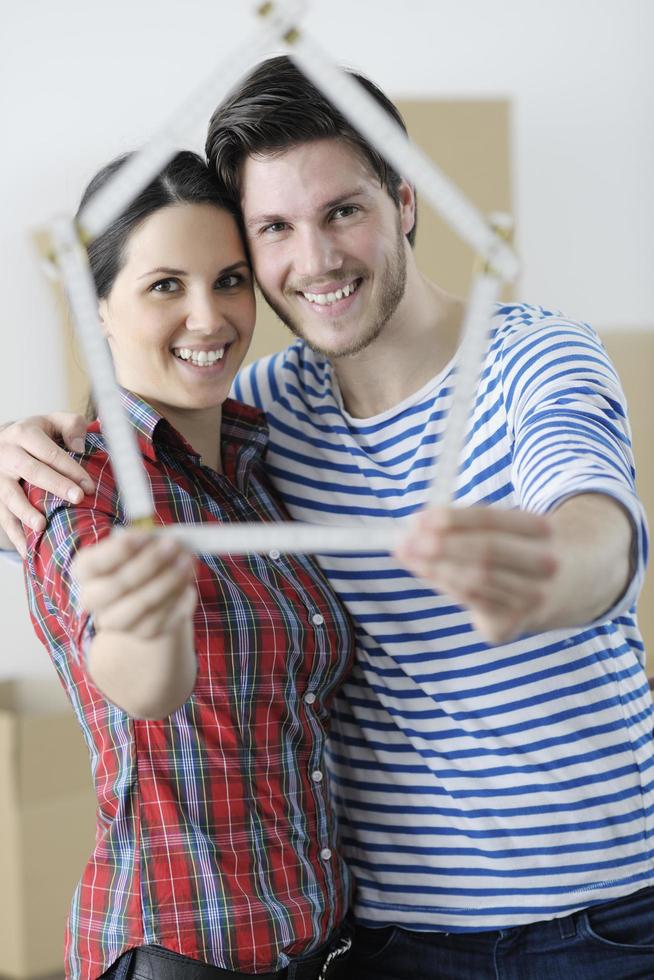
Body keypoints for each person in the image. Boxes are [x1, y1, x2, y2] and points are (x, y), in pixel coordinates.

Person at [1, 57, 652, 979]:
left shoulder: (533, 358)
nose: (315, 261)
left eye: (343, 211)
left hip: (598, 926)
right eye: (273, 229)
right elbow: (117, 589)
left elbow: (597, 518)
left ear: (406, 202)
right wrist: (20, 449)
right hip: (386, 943)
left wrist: (555, 565)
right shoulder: (259, 413)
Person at [17, 150, 355, 980]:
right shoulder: (81, 491)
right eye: (165, 285)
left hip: (321, 941)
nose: (209, 318)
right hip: (181, 949)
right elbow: (138, 681)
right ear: (95, 305)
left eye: (230, 280)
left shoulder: (259, 466)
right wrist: (146, 625)